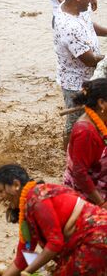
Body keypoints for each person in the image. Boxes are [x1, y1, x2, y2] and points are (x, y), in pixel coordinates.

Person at [0, 164, 107, 276]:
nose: (0, 197)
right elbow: (24, 254)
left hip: (97, 236)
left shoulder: (36, 199)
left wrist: (28, 272)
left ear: (16, 185)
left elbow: (55, 243)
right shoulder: (28, 207)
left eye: (1, 191)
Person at [53, 0, 107, 144]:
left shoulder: (74, 8)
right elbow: (89, 60)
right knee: (75, 125)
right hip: (75, 83)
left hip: (90, 77)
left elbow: (90, 26)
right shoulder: (68, 26)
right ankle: (69, 157)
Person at [63, 78, 107, 206]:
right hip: (90, 197)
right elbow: (80, 174)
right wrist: (102, 203)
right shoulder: (85, 132)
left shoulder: (101, 119)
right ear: (101, 103)